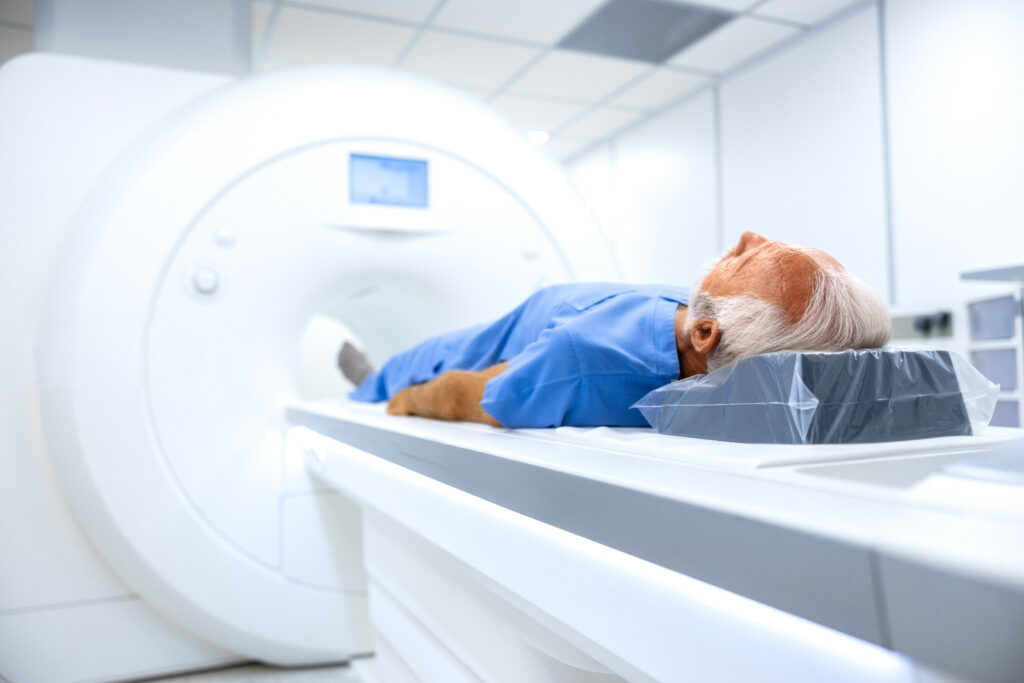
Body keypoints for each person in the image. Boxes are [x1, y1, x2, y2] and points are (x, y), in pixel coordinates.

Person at [339, 231, 892, 428]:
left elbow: (474, 395)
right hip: (601, 305)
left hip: (524, 328)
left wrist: (407, 402)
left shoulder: (582, 356)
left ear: (704, 335)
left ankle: (368, 379)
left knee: (424, 360)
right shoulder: (720, 336)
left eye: (753, 259)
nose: (748, 236)